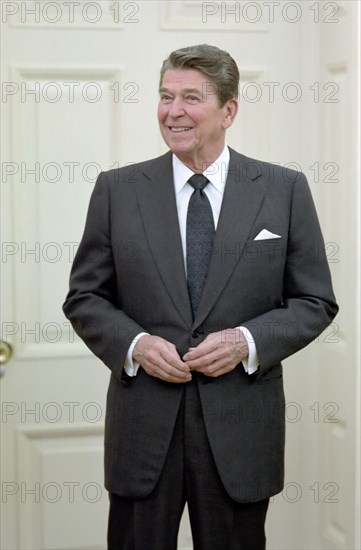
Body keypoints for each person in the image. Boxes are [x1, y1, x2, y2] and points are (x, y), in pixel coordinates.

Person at [63, 44, 338, 550]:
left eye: (191, 98)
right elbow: (85, 296)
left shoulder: (284, 189)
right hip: (143, 433)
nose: (173, 111)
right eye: (166, 97)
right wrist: (135, 344)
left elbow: (315, 301)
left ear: (229, 110)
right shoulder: (117, 190)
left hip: (240, 433)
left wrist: (246, 340)